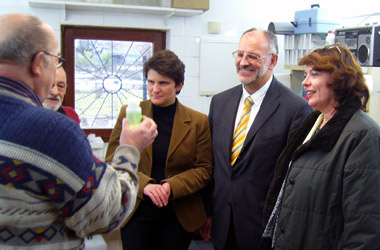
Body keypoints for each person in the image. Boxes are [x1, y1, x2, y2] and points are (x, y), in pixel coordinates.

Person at [0, 13, 157, 249]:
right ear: (38, 63)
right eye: (55, 61)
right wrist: (130, 149)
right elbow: (106, 215)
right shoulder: (52, 131)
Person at [201, 28, 312, 250]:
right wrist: (208, 212)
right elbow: (214, 166)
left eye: (252, 56)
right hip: (222, 224)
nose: (243, 62)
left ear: (273, 61)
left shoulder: (296, 109)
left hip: (263, 229)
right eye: (240, 54)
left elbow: (293, 180)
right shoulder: (220, 102)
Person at [262, 44, 380, 249]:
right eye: (306, 74)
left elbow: (364, 225)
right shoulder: (314, 122)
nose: (305, 82)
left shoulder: (363, 135)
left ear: (339, 80)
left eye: (314, 74)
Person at [105, 49, 213, 250]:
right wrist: (145, 185)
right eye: (150, 81)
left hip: (178, 214)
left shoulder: (198, 121)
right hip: (136, 208)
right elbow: (112, 160)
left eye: (163, 83)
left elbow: (204, 169)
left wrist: (170, 186)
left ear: (178, 85)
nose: (154, 89)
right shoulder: (129, 113)